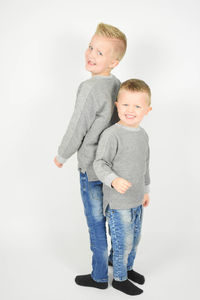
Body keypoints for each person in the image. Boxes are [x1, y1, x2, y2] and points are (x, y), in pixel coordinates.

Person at [54, 23, 127, 289]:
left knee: (96, 221)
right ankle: (115, 262)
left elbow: (77, 126)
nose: (91, 54)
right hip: (112, 168)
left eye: (100, 52)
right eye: (90, 47)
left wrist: (63, 154)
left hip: (92, 168)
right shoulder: (116, 84)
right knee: (114, 217)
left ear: (114, 61)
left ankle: (98, 277)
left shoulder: (89, 88)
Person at [93, 79, 152, 295]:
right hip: (118, 202)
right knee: (123, 241)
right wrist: (113, 179)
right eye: (125, 104)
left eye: (137, 106)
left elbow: (145, 164)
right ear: (117, 105)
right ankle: (119, 278)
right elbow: (99, 163)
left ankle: (126, 267)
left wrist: (146, 190)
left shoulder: (143, 135)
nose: (130, 110)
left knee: (134, 239)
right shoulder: (112, 135)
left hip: (136, 199)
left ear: (147, 110)